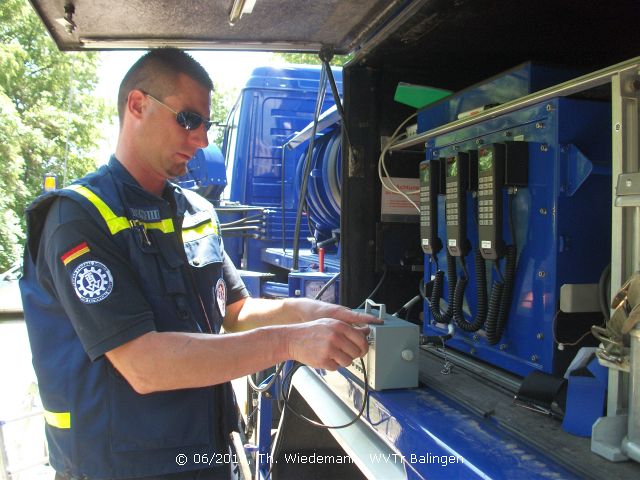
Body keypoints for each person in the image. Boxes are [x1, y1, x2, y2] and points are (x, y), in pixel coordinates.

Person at [19, 48, 378, 480]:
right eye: (188, 120)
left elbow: (235, 313)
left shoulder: (195, 211)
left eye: (206, 125)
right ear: (138, 105)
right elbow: (145, 364)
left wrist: (306, 313)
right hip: (118, 470)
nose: (202, 140)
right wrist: (288, 342)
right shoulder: (79, 217)